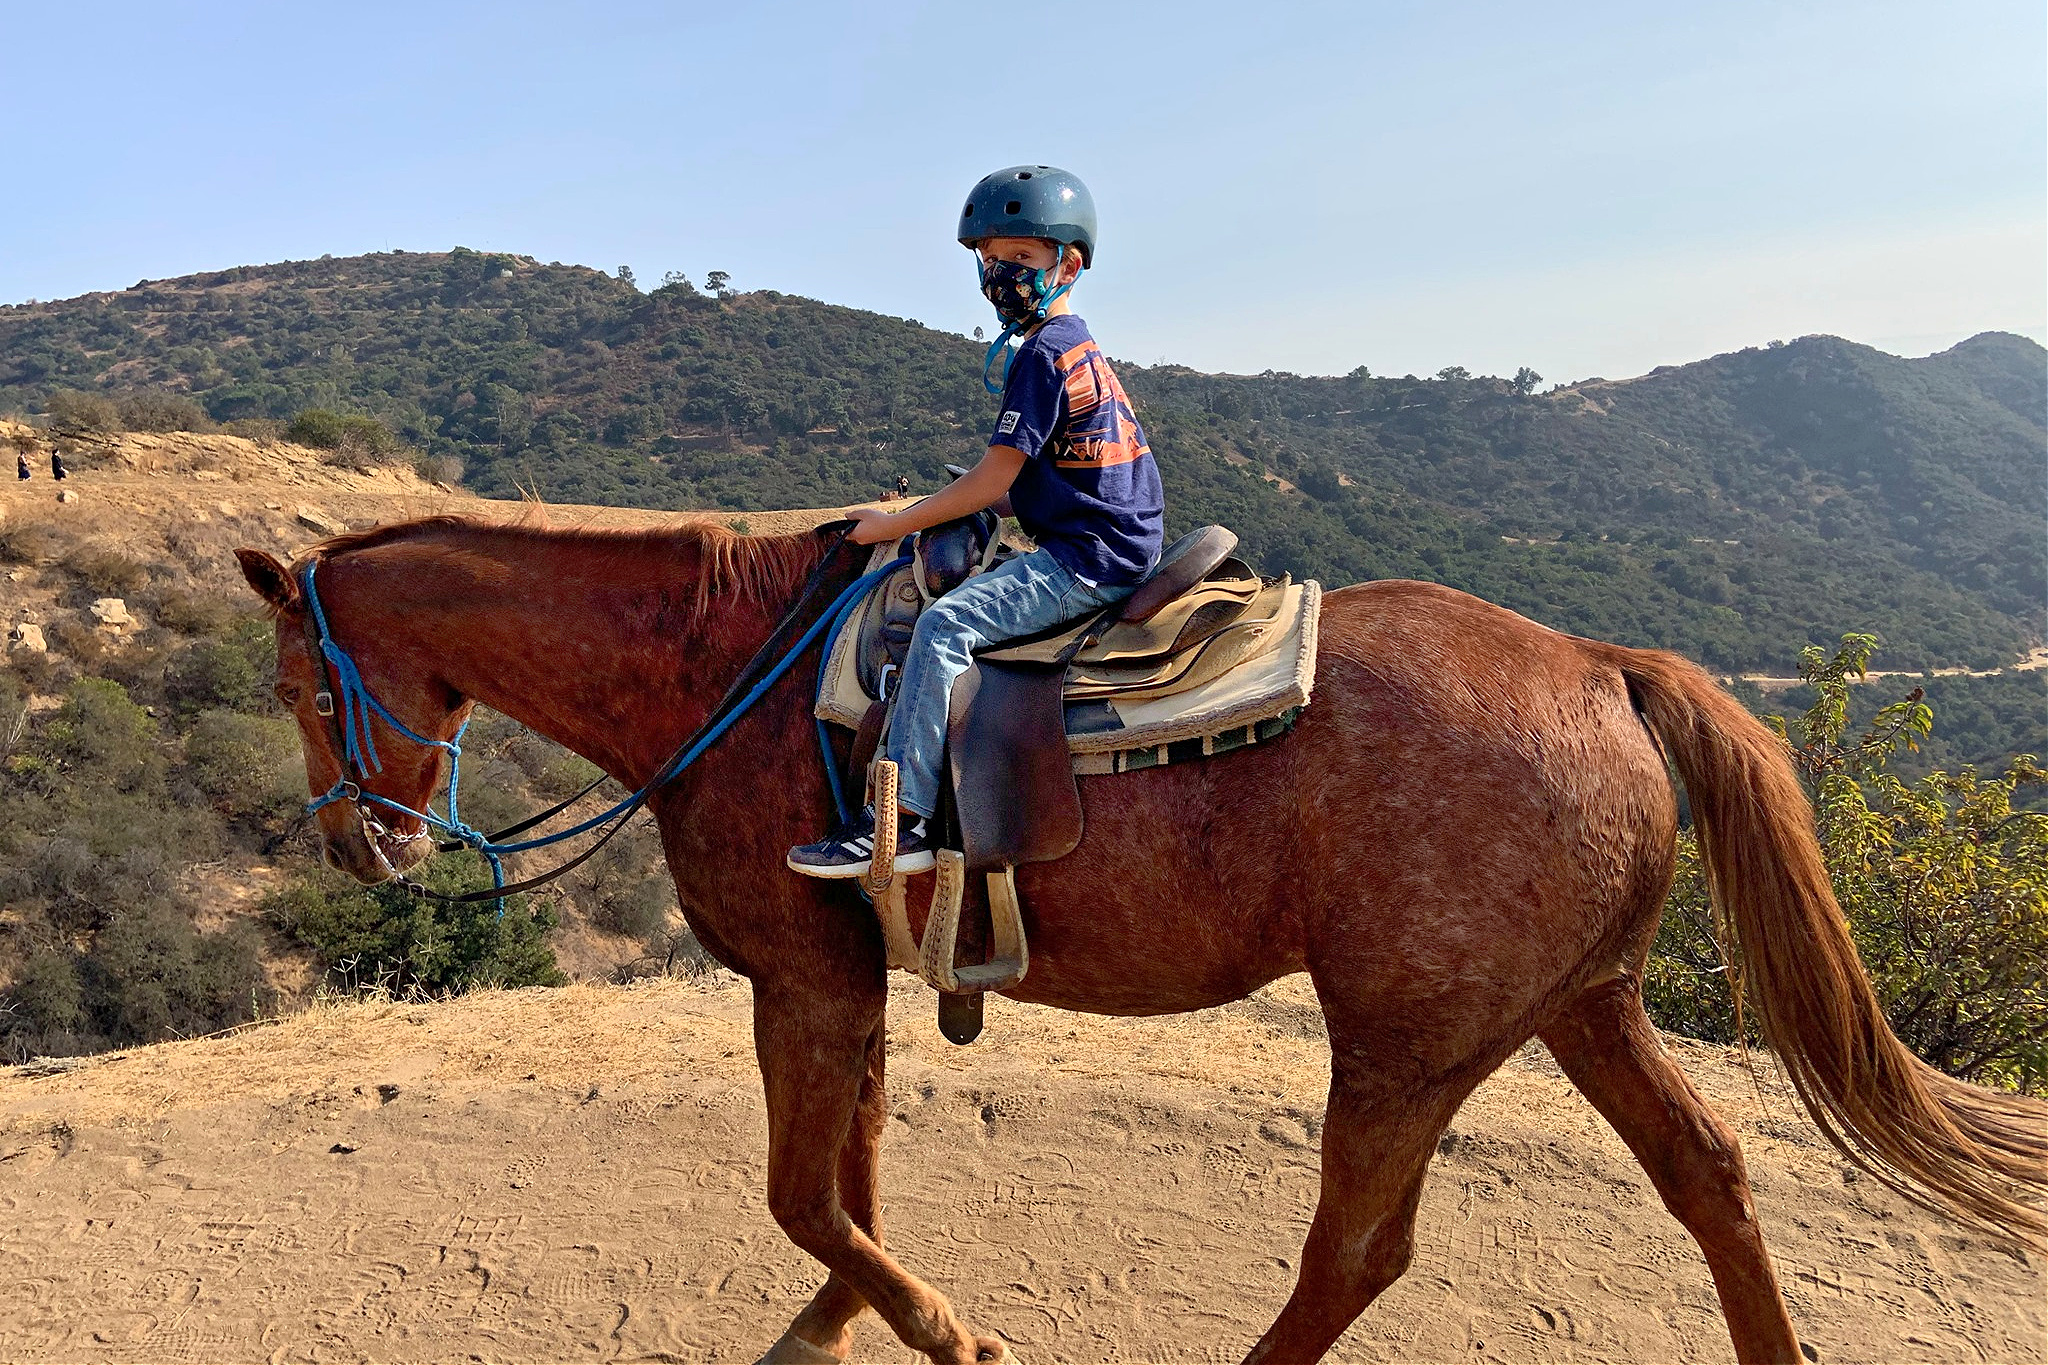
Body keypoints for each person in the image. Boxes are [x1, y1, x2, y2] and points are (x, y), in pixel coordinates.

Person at [788, 165, 1164, 877]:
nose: (1001, 274)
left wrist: (892, 524)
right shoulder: (1077, 343)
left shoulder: (1043, 356)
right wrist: (958, 499)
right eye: (991, 258)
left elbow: (993, 480)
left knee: (943, 626)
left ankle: (900, 823)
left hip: (1087, 558)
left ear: (1068, 264)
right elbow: (1020, 483)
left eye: (1021, 256)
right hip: (1115, 537)